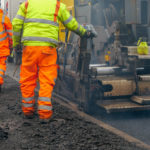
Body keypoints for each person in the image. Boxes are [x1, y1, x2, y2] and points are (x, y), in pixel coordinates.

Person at [12, 0, 87, 122]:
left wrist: (16, 44)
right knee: (46, 80)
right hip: (48, 49)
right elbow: (71, 24)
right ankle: (45, 114)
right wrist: (85, 32)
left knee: (27, 79)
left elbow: (16, 25)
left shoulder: (26, 5)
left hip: (29, 49)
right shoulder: (57, 5)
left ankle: (27, 111)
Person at [0, 8, 13, 92]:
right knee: (1, 66)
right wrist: (11, 45)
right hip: (1, 48)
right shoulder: (4, 18)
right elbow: (10, 34)